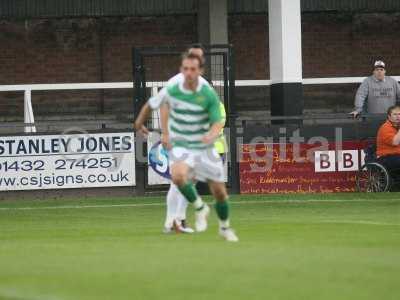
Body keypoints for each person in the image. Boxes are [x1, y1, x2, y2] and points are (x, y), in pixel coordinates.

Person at [159, 52, 238, 242]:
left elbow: (217, 124)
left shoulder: (211, 101)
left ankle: (178, 221)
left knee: (187, 184)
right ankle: (177, 221)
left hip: (211, 150)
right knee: (180, 181)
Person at [134, 44, 209, 234]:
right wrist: (165, 133)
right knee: (179, 179)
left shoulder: (202, 83)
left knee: (187, 180)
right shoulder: (175, 82)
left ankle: (178, 221)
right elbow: (163, 105)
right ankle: (171, 222)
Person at [376, 105, 400, 169]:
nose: (398, 116)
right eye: (395, 114)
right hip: (386, 157)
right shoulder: (385, 128)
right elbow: (395, 142)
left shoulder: (397, 126)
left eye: (399, 114)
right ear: (389, 117)